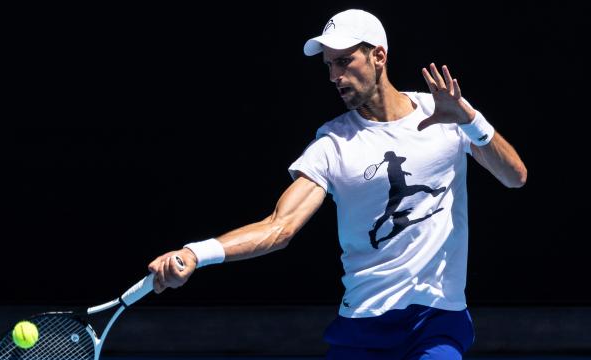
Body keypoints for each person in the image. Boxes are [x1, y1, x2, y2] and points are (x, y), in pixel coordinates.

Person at [148, 8, 527, 360]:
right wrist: (197, 253)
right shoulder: (331, 144)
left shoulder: (444, 115)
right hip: (361, 324)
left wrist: (470, 121)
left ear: (379, 56)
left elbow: (515, 177)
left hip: (436, 322)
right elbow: (279, 227)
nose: (334, 76)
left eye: (344, 61)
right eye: (329, 65)